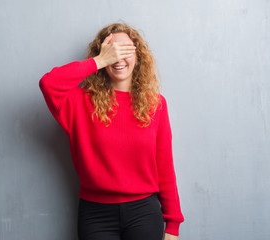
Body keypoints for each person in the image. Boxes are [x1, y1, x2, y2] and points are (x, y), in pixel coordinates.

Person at [39, 22, 184, 240]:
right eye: (111, 52)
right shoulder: (79, 102)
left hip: (144, 212)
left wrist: (173, 225)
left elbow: (165, 166)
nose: (118, 58)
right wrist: (99, 61)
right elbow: (48, 83)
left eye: (125, 51)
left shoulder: (156, 105)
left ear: (138, 56)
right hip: (96, 214)